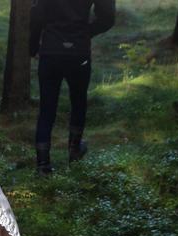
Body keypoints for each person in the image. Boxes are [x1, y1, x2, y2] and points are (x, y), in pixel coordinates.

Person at [30, 0, 116, 175]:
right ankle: (74, 150)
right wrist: (87, 31)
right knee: (79, 101)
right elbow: (108, 16)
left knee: (46, 108)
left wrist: (32, 47)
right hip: (79, 51)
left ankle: (43, 165)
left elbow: (36, 14)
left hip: (50, 50)